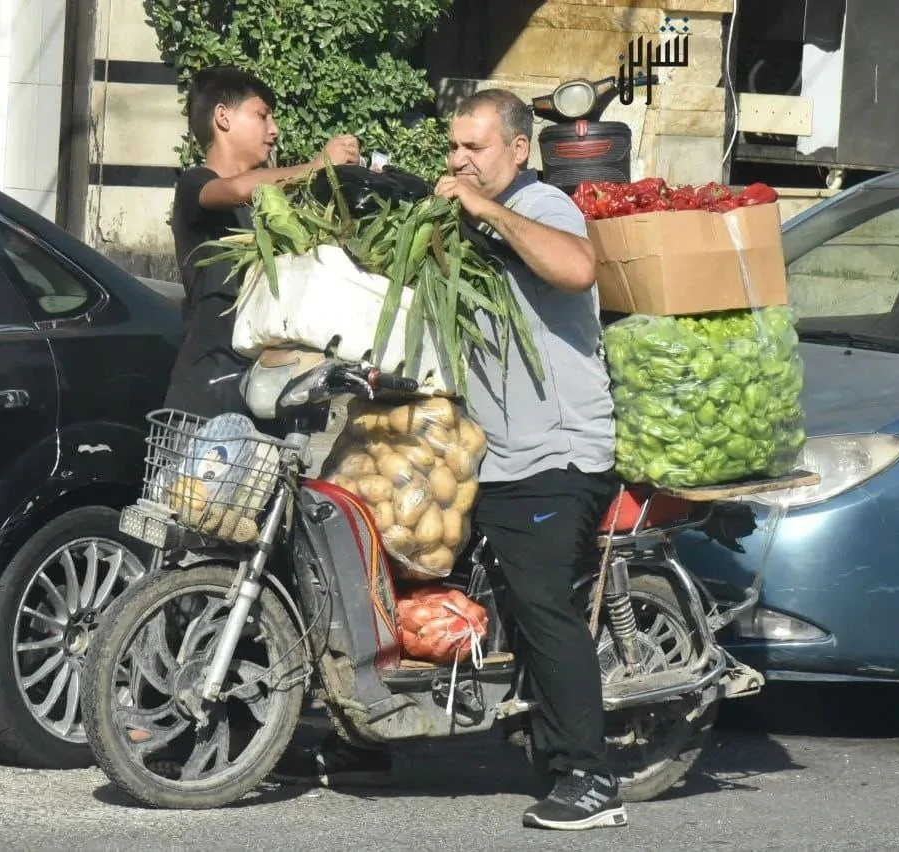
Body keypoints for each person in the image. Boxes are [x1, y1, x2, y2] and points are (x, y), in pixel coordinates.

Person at [278, 89, 624, 832]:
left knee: (541, 608)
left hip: (554, 455)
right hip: (482, 456)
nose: (459, 160)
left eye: (475, 147)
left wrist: (485, 208)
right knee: (404, 580)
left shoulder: (546, 208)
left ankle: (591, 782)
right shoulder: (458, 225)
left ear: (518, 149)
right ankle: (372, 739)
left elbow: (576, 269)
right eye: (454, 147)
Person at [164, 65, 360, 421]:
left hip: (269, 391)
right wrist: (316, 166)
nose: (274, 130)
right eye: (262, 115)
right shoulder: (196, 184)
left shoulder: (270, 206)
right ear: (223, 117)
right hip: (212, 388)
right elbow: (235, 189)